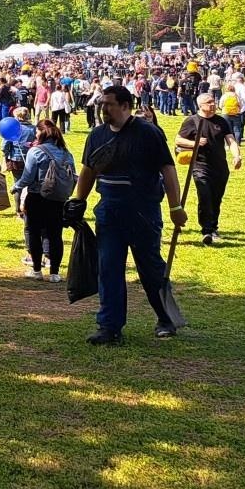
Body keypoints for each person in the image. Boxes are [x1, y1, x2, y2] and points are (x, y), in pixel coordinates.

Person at [65, 85, 185, 346]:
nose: (103, 109)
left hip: (143, 211)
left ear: (125, 106)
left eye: (109, 104)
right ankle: (109, 327)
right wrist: (78, 200)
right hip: (109, 212)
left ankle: (166, 319)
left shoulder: (148, 133)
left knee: (150, 269)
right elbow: (88, 170)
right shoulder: (97, 135)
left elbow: (167, 169)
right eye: (102, 104)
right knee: (108, 268)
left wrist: (175, 207)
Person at [177, 92, 243, 246]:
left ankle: (213, 227)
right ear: (200, 105)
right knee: (205, 196)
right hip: (200, 166)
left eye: (213, 101)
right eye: (208, 102)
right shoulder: (192, 121)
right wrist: (195, 143)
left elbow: (231, 140)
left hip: (220, 167)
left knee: (216, 198)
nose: (212, 105)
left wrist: (237, 156)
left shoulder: (221, 121)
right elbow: (178, 140)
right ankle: (207, 230)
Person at [13, 118, 73, 281]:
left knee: (34, 232)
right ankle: (54, 273)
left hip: (37, 196)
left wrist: (16, 187)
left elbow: (27, 177)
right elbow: (72, 175)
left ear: (40, 133)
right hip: (58, 198)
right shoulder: (66, 153)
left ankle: (37, 270)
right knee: (55, 235)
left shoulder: (36, 151)